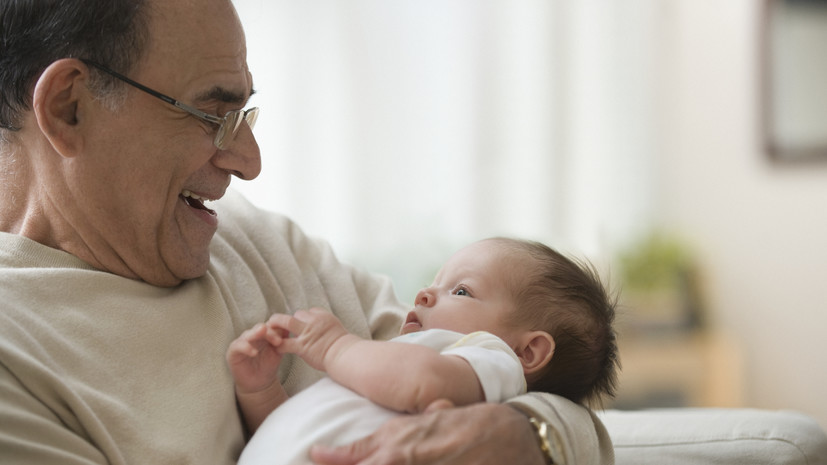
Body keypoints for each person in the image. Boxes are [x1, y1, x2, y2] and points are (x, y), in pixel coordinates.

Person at [0, 1, 614, 464]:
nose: (250, 160)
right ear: (68, 107)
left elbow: (532, 386)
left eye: (245, 114)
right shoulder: (16, 354)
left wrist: (536, 438)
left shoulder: (258, 244)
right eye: (212, 114)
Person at [228, 238, 619, 465]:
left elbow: (422, 381)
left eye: (461, 291)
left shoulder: (490, 356)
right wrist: (261, 391)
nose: (424, 293)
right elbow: (303, 427)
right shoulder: (386, 362)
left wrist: (334, 346)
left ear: (528, 352)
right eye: (435, 281)